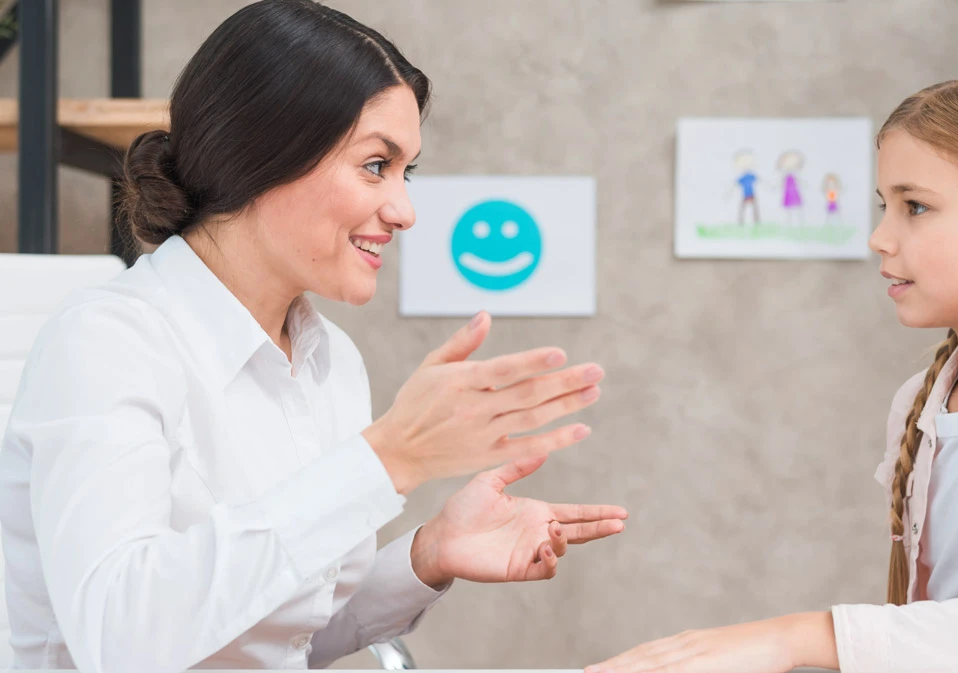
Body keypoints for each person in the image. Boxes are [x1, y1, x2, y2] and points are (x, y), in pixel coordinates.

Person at [0, 1, 626, 670]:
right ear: (260, 154)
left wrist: (427, 555)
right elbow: (120, 637)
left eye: (406, 171)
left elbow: (280, 639)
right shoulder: (107, 342)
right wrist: (386, 459)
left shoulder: (331, 361)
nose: (405, 211)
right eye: (375, 164)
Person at [589, 74, 958, 673]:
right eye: (883, 206)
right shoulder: (918, 404)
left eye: (915, 206)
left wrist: (799, 637)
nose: (879, 238)